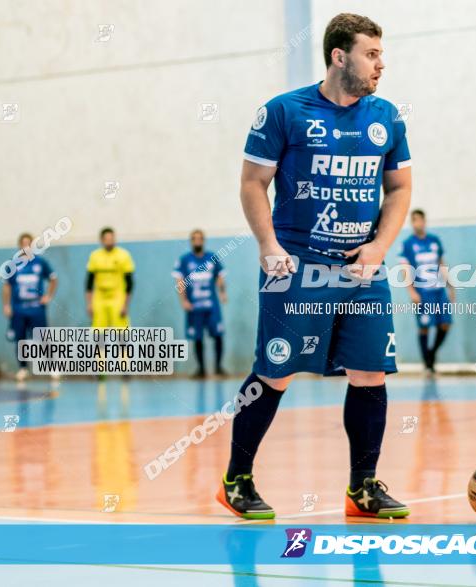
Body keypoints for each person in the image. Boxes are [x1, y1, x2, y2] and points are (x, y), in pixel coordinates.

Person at [216, 13, 412, 520]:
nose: (380, 64)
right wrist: (268, 244)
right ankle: (236, 479)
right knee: (275, 373)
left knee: (370, 374)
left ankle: (362, 487)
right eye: (371, 54)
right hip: (296, 267)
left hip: (361, 269)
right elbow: (252, 182)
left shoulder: (386, 117)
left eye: (381, 55)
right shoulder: (284, 112)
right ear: (338, 56)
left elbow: (399, 190)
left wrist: (379, 248)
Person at [399, 209, 455, 372]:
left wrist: (450, 286)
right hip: (422, 292)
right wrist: (411, 292)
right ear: (412, 223)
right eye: (414, 220)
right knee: (424, 327)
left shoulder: (434, 241)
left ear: (424, 221)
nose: (417, 223)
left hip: (438, 290)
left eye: (420, 220)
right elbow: (405, 269)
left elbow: (441, 264)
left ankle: (431, 352)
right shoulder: (408, 244)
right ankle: (428, 365)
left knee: (445, 324)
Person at [2, 233, 58, 381]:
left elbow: (53, 279)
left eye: (29, 243)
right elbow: (7, 286)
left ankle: (52, 367)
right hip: (19, 309)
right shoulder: (13, 265)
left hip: (36, 309)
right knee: (20, 339)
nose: (26, 246)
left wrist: (48, 296)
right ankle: (23, 369)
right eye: (24, 243)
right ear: (19, 246)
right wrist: (6, 305)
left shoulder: (40, 263)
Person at [172, 229, 227, 378]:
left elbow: (220, 277)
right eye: (194, 239)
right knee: (197, 337)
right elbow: (180, 282)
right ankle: (201, 369)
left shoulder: (212, 258)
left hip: (211, 305)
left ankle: (218, 367)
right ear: (191, 241)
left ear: (203, 240)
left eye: (199, 239)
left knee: (218, 335)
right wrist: (183, 301)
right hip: (194, 306)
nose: (197, 241)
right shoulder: (184, 260)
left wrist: (222, 293)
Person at [86, 227, 135, 328]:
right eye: (107, 239)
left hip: (117, 298)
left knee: (122, 332)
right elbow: (89, 283)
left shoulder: (124, 255)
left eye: (112, 239)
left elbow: (130, 283)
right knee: (98, 332)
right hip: (99, 299)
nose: (110, 241)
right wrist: (89, 304)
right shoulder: (95, 256)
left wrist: (125, 305)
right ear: (101, 240)